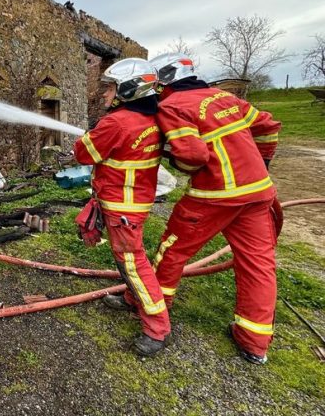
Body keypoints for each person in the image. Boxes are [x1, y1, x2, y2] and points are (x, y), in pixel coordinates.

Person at [137, 53, 279, 364]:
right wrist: (263, 164)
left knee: (172, 251)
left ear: (164, 81)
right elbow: (268, 127)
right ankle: (254, 342)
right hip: (257, 194)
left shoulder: (173, 106)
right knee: (257, 263)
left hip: (213, 196)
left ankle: (152, 306)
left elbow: (192, 156)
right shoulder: (224, 97)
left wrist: (173, 159)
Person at [73, 58, 170, 356]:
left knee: (133, 264)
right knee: (130, 261)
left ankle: (157, 327)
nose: (104, 95)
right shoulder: (154, 119)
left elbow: (82, 154)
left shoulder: (117, 122)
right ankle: (131, 297)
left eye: (110, 88)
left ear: (129, 89)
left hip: (122, 209)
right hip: (136, 202)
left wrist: (90, 136)